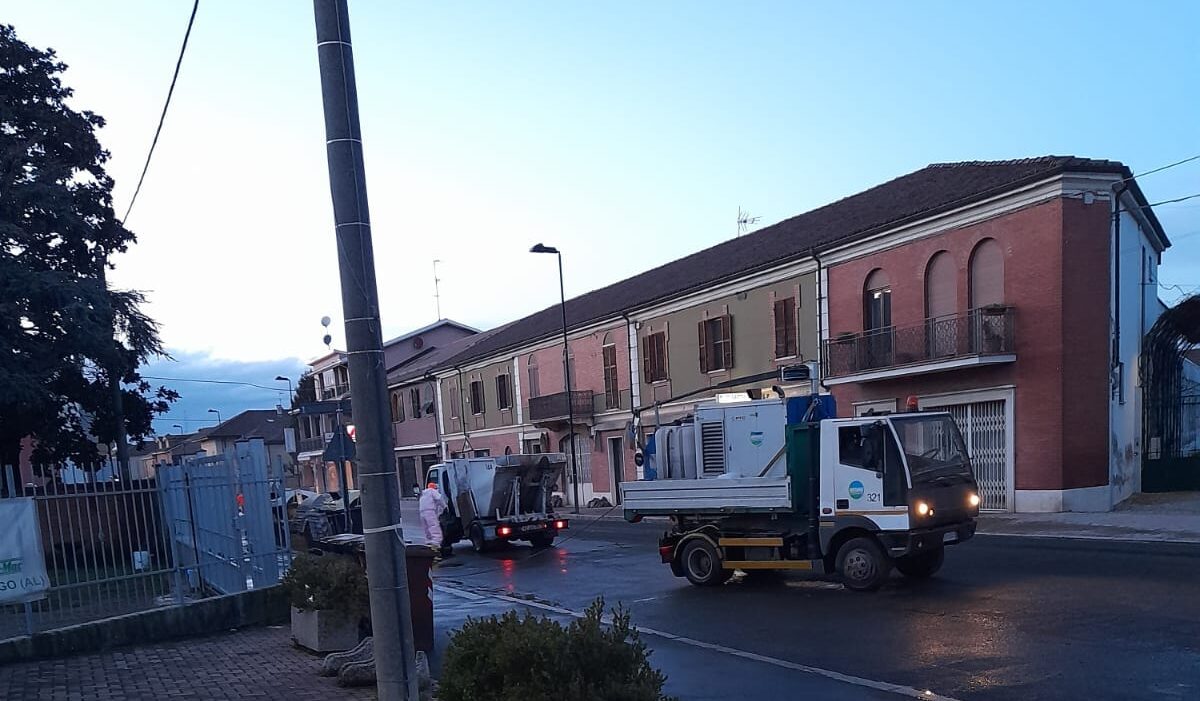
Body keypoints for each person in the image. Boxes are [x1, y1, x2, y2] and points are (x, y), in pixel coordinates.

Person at [418, 481, 447, 555]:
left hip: (422, 512)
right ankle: (436, 543)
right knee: (433, 526)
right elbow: (439, 498)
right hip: (429, 511)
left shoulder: (424, 493)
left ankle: (428, 541)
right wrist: (445, 507)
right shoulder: (432, 491)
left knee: (426, 527)